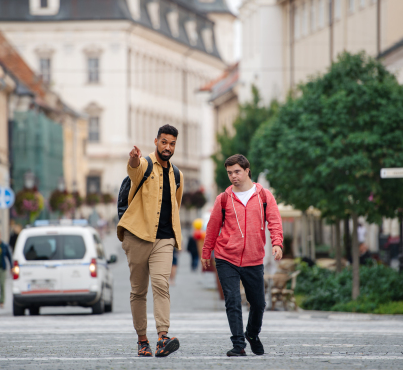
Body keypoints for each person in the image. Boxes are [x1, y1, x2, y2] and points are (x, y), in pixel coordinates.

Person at [202, 154, 283, 357]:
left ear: (247, 171)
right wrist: (206, 252)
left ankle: (252, 334)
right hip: (226, 257)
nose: (233, 176)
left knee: (258, 303)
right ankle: (238, 344)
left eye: (237, 171)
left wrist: (277, 244)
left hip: (253, 258)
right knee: (232, 299)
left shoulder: (265, 196)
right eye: (229, 173)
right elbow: (212, 228)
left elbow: (274, 221)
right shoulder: (223, 199)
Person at [117, 124, 183, 357]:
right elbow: (134, 170)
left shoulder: (177, 174)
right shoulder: (144, 165)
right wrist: (134, 159)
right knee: (138, 290)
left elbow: (176, 205)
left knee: (161, 285)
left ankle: (163, 337)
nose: (168, 147)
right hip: (138, 236)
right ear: (156, 141)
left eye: (172, 143)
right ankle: (142, 340)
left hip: (164, 239)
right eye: (164, 142)